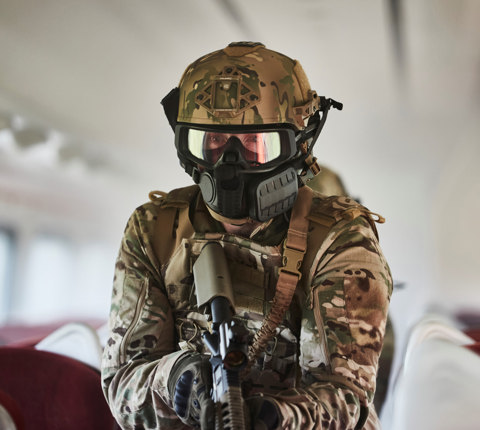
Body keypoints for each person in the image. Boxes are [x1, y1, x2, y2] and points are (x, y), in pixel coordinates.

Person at [101, 42, 393, 429]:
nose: (229, 165)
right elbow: (123, 383)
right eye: (213, 143)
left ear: (297, 145)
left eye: (256, 145)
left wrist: (274, 418)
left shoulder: (337, 238)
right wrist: (174, 379)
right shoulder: (154, 230)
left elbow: (346, 397)